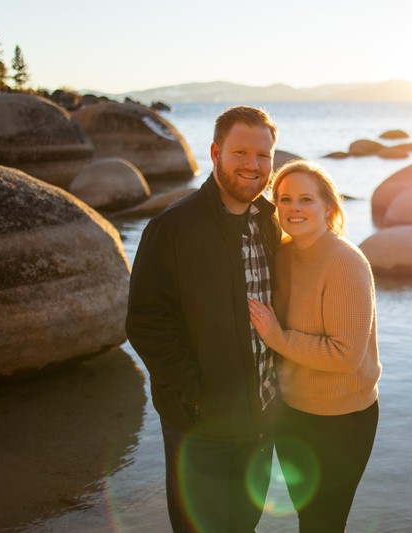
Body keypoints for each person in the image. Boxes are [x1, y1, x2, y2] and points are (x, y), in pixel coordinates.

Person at [126, 105, 281, 532]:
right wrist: (196, 395)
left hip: (260, 421)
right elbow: (145, 322)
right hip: (199, 426)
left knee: (244, 526)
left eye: (263, 155)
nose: (253, 165)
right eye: (241, 153)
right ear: (215, 152)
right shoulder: (171, 228)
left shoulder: (271, 224)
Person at [248, 160, 382, 532]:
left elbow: (346, 356)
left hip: (342, 420)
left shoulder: (345, 262)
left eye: (306, 199)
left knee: (324, 522)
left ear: (329, 207)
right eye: (285, 199)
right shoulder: (282, 255)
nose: (294, 208)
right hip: (291, 412)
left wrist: (276, 336)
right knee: (308, 518)